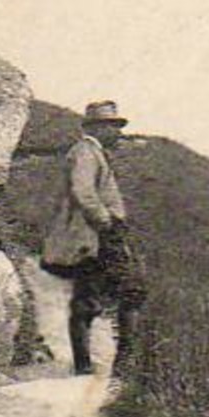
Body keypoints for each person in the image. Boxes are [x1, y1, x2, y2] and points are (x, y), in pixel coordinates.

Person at [41, 100, 147, 377]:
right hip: (97, 236)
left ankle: (85, 365)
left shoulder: (92, 152)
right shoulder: (86, 153)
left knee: (87, 297)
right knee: (131, 290)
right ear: (96, 128)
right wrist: (106, 222)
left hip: (95, 236)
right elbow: (83, 192)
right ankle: (123, 367)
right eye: (112, 126)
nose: (118, 132)